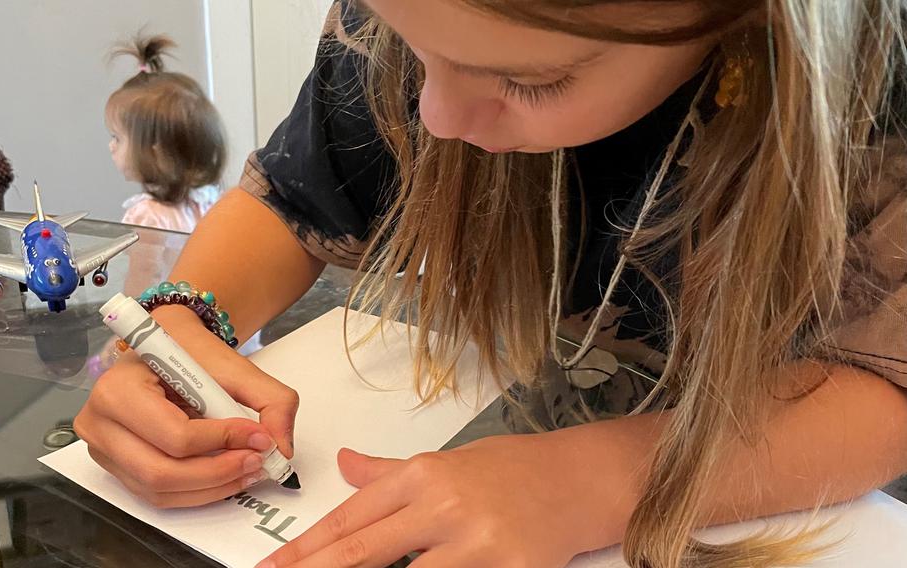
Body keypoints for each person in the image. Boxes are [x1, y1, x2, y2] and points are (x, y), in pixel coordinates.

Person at [74, 1, 907, 567]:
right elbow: (293, 199)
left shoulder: (877, 76)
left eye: (531, 81)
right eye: (411, 49)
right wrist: (180, 319)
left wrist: (589, 485)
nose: (434, 116)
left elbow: (886, 383)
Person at [106, 33, 225, 233]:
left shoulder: (146, 216)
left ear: (156, 151)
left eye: (117, 138)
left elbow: (143, 266)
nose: (111, 146)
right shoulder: (208, 201)